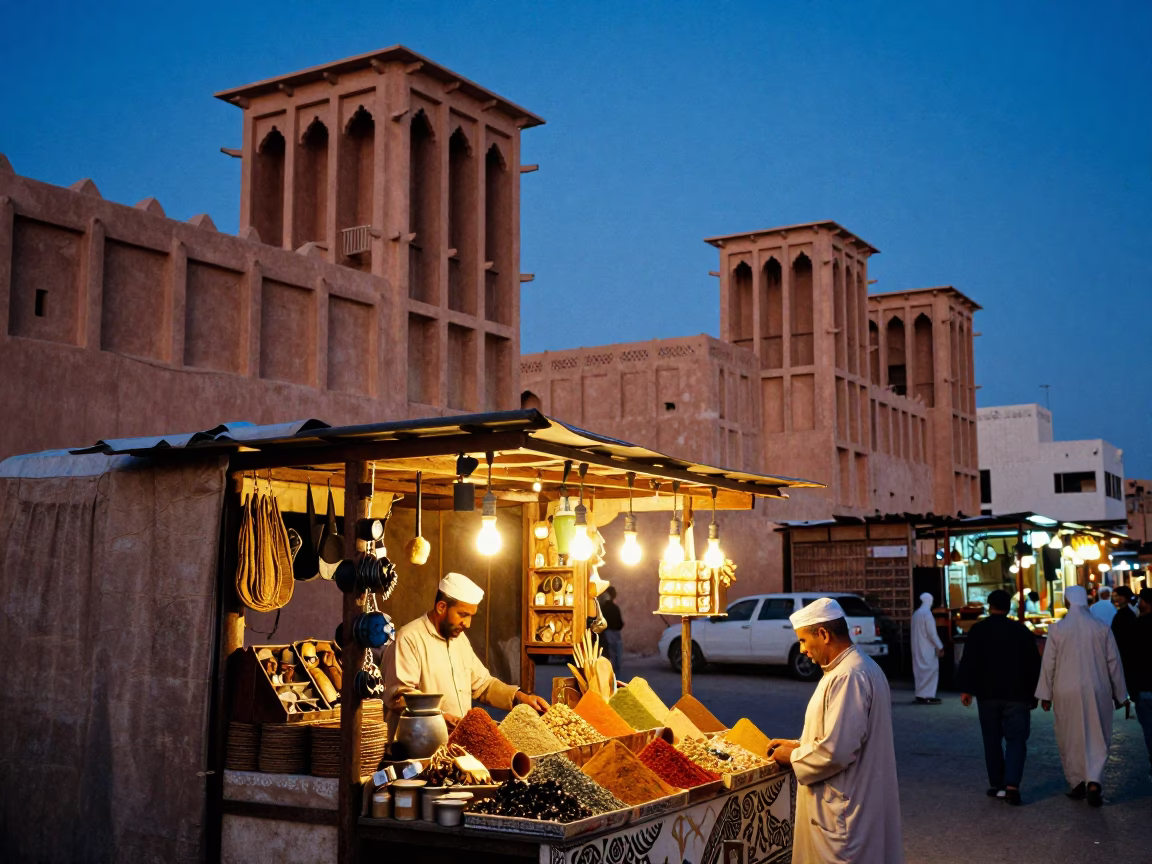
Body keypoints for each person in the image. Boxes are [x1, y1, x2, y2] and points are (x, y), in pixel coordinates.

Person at [766, 598, 903, 863]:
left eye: (804, 641)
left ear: (824, 634)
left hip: (845, 812)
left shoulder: (848, 676)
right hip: (856, 801)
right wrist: (798, 745)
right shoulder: (859, 667)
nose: (803, 650)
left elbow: (836, 752)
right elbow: (840, 734)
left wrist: (791, 757)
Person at [382, 572, 549, 737]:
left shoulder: (459, 640)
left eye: (471, 616)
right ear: (441, 607)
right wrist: (438, 716)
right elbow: (400, 696)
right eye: (463, 615)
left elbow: (483, 685)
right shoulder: (409, 638)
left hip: (457, 746)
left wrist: (520, 698)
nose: (467, 624)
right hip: (418, 750)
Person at [1035, 584, 1127, 806]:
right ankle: (1094, 782)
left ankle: (1077, 782)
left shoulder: (1057, 629)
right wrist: (1120, 694)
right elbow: (1114, 663)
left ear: (1067, 602)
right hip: (1098, 689)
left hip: (1065, 690)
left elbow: (1049, 664)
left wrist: (1045, 695)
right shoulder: (1102, 628)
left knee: (1070, 735)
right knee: (1097, 734)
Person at [955, 589, 1041, 805]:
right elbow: (1033, 664)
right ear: (1009, 607)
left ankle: (997, 784)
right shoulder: (1021, 631)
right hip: (1018, 695)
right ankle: (1012, 784)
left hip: (988, 694)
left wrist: (966, 689)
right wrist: (1036, 693)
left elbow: (969, 660)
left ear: (989, 605)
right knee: (1017, 739)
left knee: (992, 739)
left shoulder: (979, 630)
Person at [1129, 588, 1152, 781]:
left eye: (1140, 600)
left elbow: (1131, 659)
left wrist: (1131, 690)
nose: (1137, 603)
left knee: (1149, 729)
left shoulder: (1136, 626)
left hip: (1144, 687)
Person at [911, 592, 944, 704]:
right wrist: (940, 646)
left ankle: (921, 694)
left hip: (917, 648)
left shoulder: (916, 613)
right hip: (927, 648)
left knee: (920, 671)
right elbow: (931, 634)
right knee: (931, 669)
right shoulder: (927, 614)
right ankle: (927, 695)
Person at [1110, 586, 1138, 692]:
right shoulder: (1125, 612)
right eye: (1115, 596)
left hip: (1126, 652)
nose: (1116, 598)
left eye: (1118, 596)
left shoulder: (1126, 613)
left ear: (1125, 597)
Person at [599, 585, 624, 675]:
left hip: (607, 633)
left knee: (609, 653)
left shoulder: (603, 607)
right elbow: (620, 623)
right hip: (614, 633)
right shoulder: (614, 608)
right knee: (615, 653)